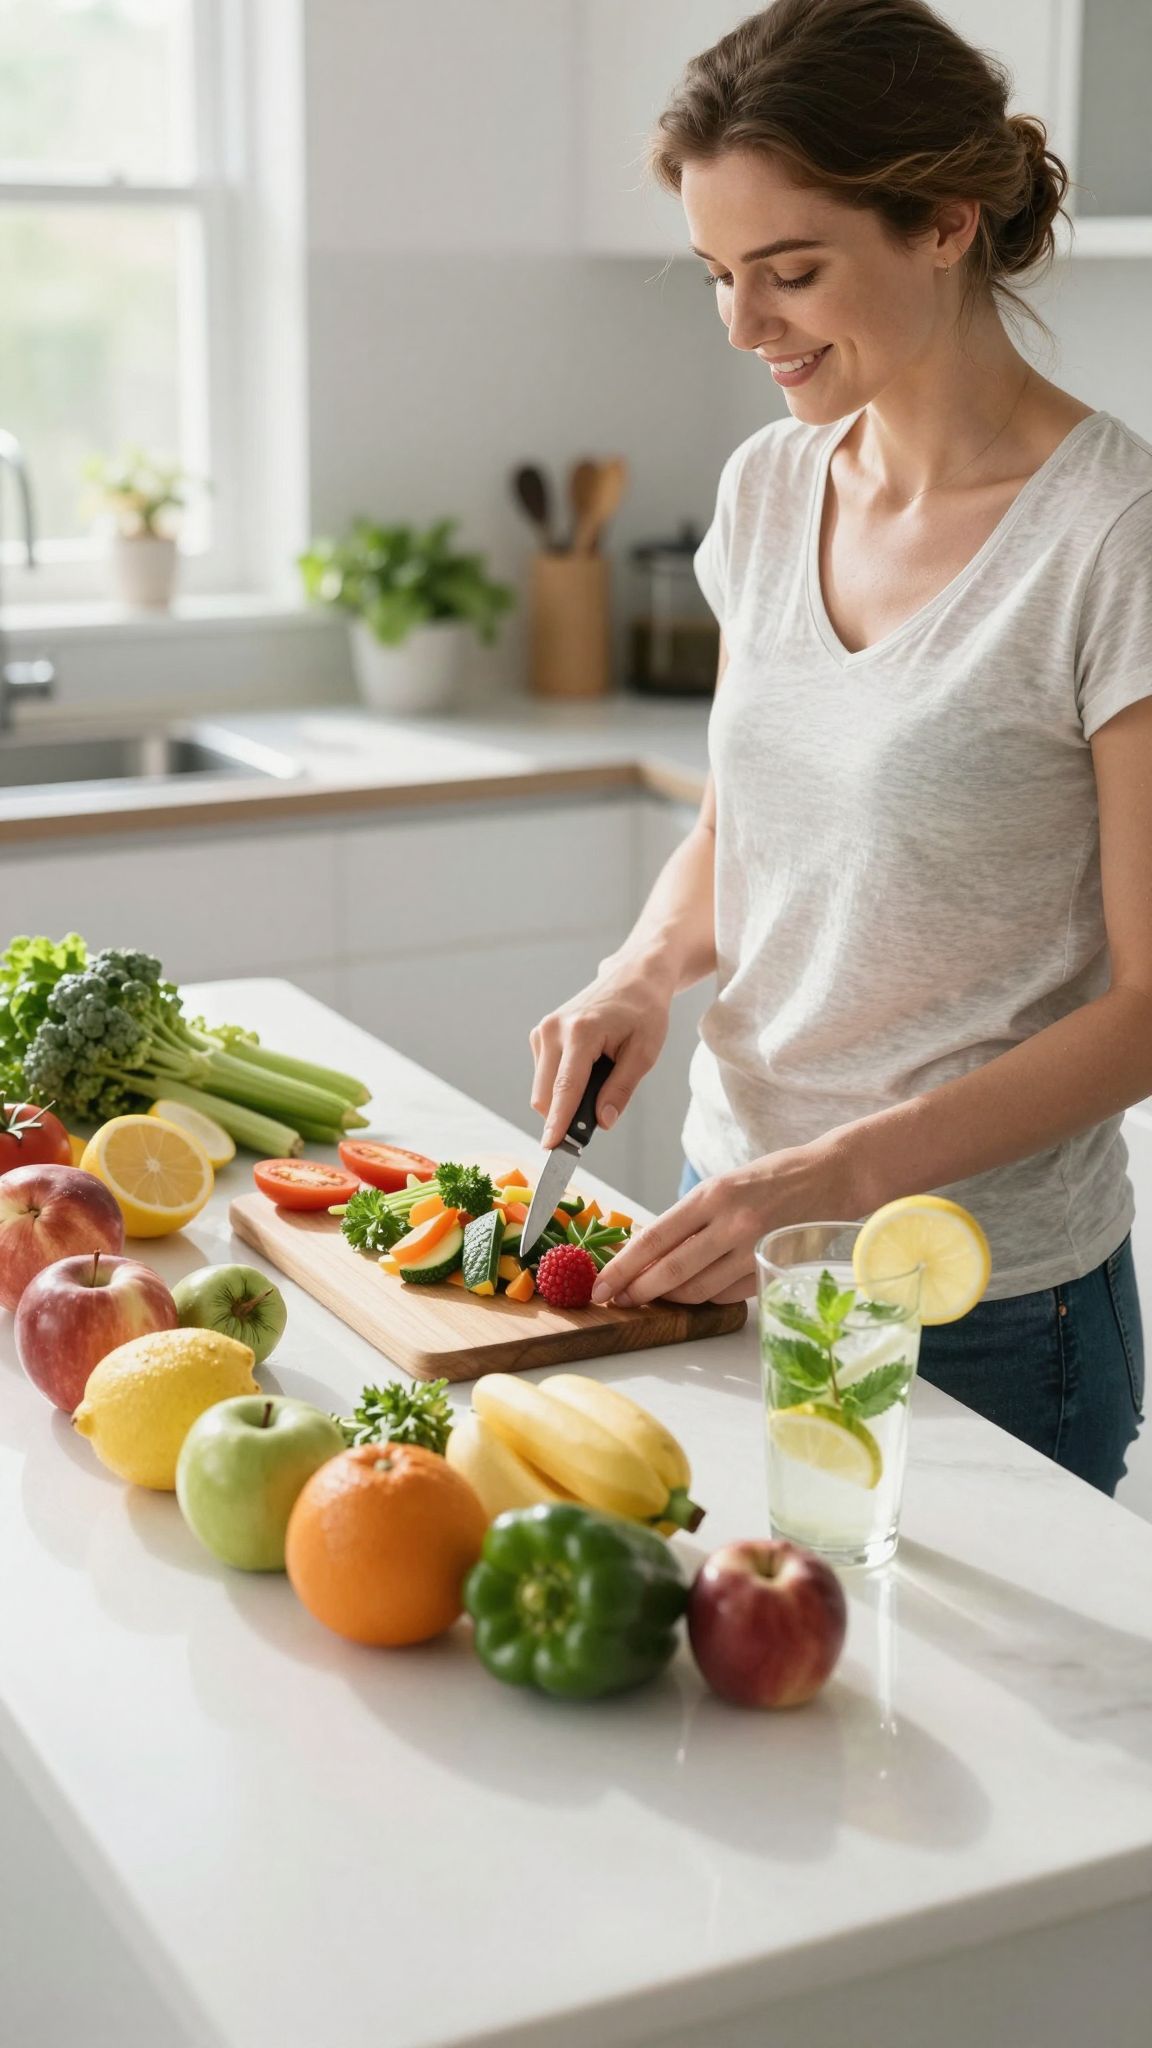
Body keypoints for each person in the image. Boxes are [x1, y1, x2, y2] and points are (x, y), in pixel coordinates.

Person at [527, 0, 1150, 1496]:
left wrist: (840, 1174)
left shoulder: (1113, 540)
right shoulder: (767, 487)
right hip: (732, 1221)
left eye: (791, 271)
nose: (744, 326)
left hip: (975, 1292)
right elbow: (742, 825)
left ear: (944, 222)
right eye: (718, 275)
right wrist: (639, 973)